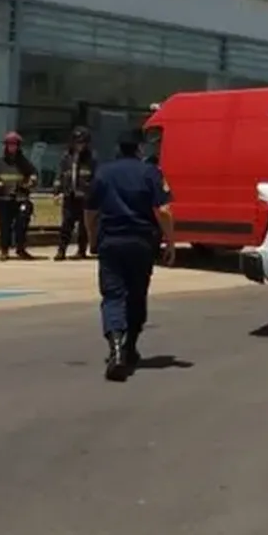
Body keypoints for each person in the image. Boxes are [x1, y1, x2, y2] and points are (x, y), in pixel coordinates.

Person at [84, 129, 176, 381]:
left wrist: (92, 239)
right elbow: (164, 210)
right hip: (141, 242)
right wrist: (170, 241)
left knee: (113, 295)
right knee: (137, 295)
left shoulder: (103, 172)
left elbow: (90, 211)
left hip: (111, 241)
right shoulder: (151, 173)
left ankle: (115, 348)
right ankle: (129, 345)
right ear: (140, 148)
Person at [0, 132, 38, 261]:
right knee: (4, 226)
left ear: (18, 146)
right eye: (9, 145)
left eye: (14, 145)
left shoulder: (25, 163)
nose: (12, 147)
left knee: (22, 224)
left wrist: (31, 182)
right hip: (3, 198)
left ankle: (21, 249)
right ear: (6, 146)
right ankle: (4, 250)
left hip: (20, 198)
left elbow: (34, 175)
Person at [53, 126, 95, 261]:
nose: (79, 145)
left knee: (84, 225)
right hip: (69, 195)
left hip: (85, 197)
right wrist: (57, 192)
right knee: (66, 224)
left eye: (82, 142)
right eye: (77, 142)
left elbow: (96, 177)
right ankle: (61, 250)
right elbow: (60, 176)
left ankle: (81, 250)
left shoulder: (91, 159)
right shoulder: (67, 158)